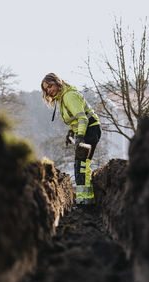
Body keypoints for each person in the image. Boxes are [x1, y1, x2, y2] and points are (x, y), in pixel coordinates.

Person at [41, 73, 101, 205]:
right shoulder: (62, 98)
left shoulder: (69, 96)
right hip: (86, 130)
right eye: (46, 89)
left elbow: (83, 118)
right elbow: (75, 119)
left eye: (50, 86)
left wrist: (79, 136)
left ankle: (85, 202)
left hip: (90, 130)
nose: (49, 90)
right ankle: (85, 200)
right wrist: (71, 133)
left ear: (57, 82)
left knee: (81, 166)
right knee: (80, 166)